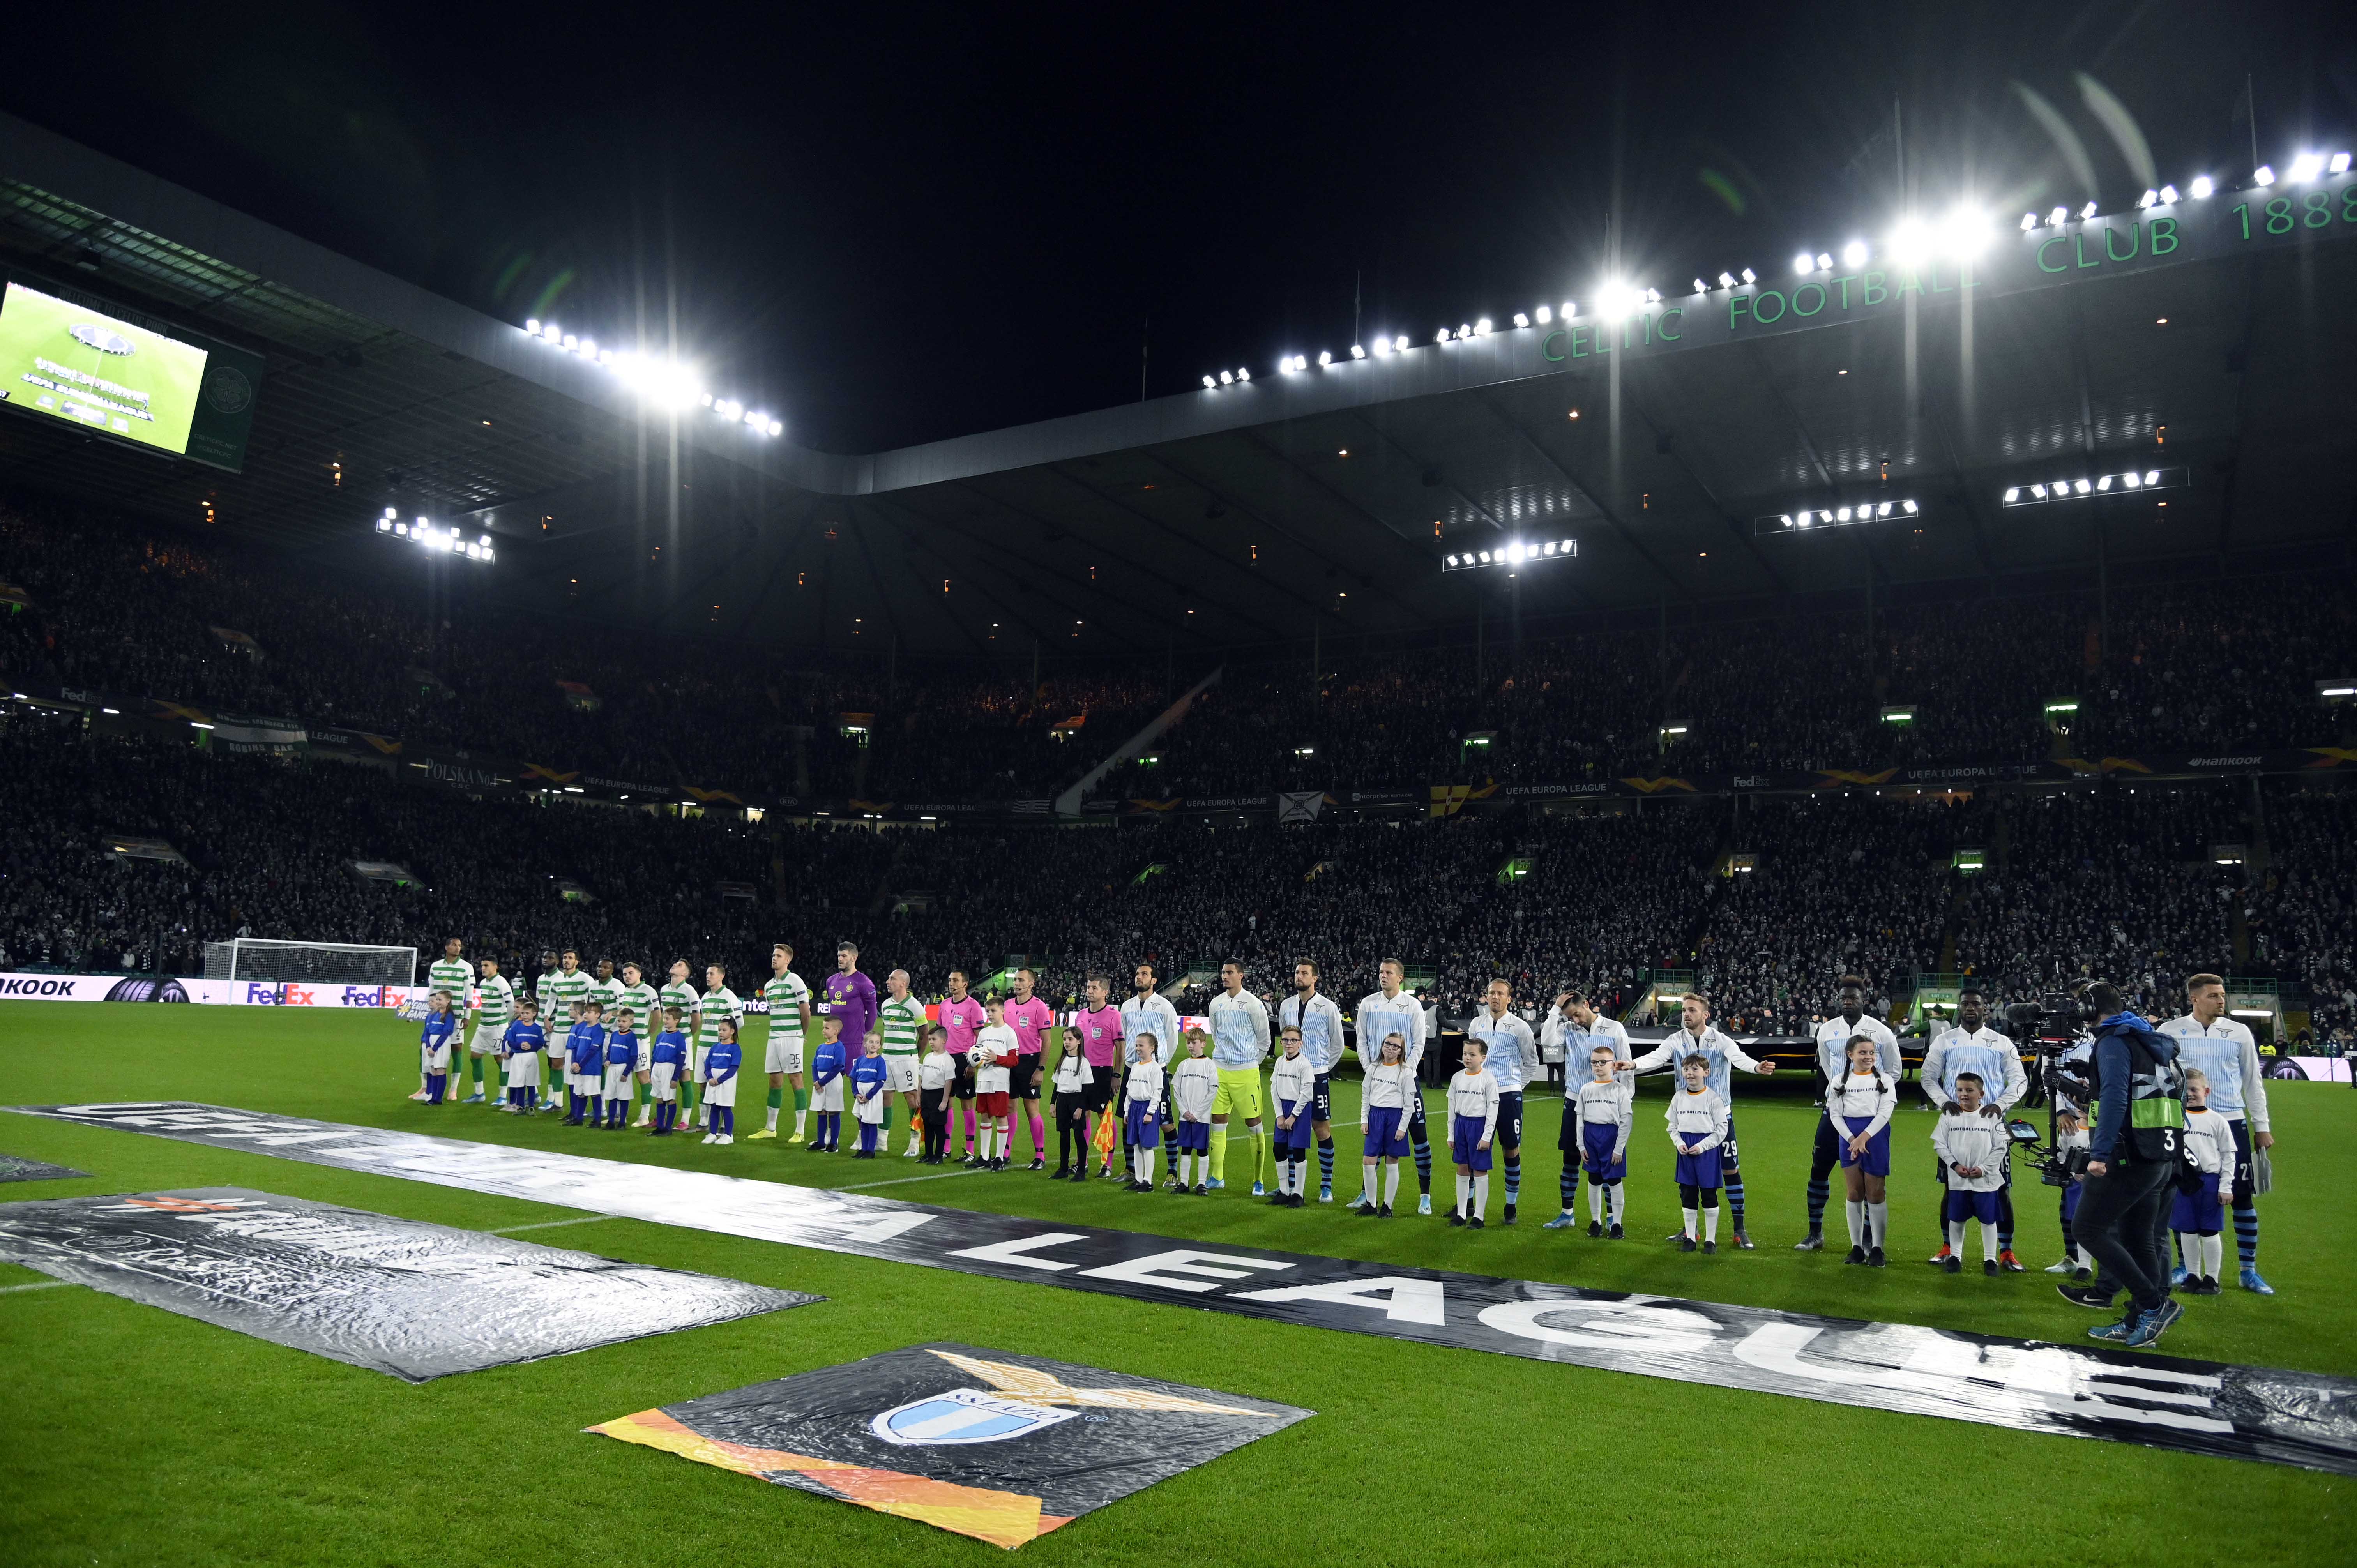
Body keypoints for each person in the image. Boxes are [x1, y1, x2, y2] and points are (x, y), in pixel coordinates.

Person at [2058, 982, 2187, 1350]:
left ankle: (2152, 1306)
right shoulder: (2147, 1037)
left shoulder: (2113, 1041)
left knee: (2088, 1228)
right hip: (2159, 1153)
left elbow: (2115, 1099)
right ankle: (2138, 1317)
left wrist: (2099, 1154)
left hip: (2126, 1155)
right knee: (2137, 1237)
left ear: (2089, 1009)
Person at [1622, 993, 1776, 1247]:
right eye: (1684, 1010)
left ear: (1706, 1015)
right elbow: (1657, 1057)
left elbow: (1739, 1058)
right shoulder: (1676, 1040)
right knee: (1690, 1177)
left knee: (1730, 1171)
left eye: (1692, 1010)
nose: (1686, 1014)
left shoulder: (1721, 1040)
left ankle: (1740, 1230)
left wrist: (1756, 1067)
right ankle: (1690, 1230)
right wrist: (1633, 1065)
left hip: (1720, 1120)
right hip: (1689, 1122)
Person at [2159, 973, 2277, 1294]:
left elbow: (2254, 1081)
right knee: (2182, 1193)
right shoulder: (2169, 1032)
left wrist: (2261, 1126)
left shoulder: (2239, 1033)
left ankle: (2248, 1271)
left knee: (2241, 1196)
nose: (2222, 1000)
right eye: (2214, 995)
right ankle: (2186, 1267)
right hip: (2184, 1124)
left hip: (2231, 1121)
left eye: (2222, 995)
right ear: (2194, 999)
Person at [1918, 986, 2030, 1270]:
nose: (1970, 1008)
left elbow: (2020, 1080)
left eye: (1976, 1004)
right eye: (1965, 1003)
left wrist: (2001, 1105)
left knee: (2001, 1188)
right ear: (1959, 1009)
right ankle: (1948, 1247)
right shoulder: (1944, 1041)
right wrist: (1944, 1102)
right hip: (1955, 1127)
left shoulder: (2001, 1042)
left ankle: (2006, 1252)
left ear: (1985, 1010)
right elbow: (1928, 1078)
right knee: (1951, 1187)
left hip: (1992, 1127)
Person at [1798, 976, 1899, 1251]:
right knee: (1819, 1169)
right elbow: (1829, 1069)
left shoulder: (1881, 1032)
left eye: (1853, 997)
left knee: (1869, 1179)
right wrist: (1843, 1091)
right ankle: (1815, 1233)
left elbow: (1894, 1071)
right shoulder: (1827, 1031)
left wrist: (1868, 1094)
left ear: (1864, 1000)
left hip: (1869, 1117)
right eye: (1843, 997)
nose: (1847, 1002)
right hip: (1836, 1113)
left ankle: (1867, 1240)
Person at [1541, 992, 1633, 1229]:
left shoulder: (1614, 1029)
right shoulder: (1568, 1029)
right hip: (1574, 1100)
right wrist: (1555, 1009)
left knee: (1606, 1162)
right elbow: (1547, 1041)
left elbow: (1625, 1066)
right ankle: (1567, 1214)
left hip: (1607, 1105)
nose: (1576, 1021)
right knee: (1571, 1158)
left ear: (1587, 1005)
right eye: (1570, 1017)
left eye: (1577, 1015)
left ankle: (1613, 1218)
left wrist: (1625, 1103)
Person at [1356, 959, 1436, 1214]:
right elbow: (1361, 1039)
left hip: (1405, 1080)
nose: (1383, 976)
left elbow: (1419, 1044)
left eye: (1389, 973)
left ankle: (1425, 1195)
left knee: (1420, 1138)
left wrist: (1407, 1071)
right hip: (1378, 1079)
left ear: (1400, 978)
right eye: (1381, 972)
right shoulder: (1369, 1003)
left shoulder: (1412, 1005)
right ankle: (1367, 1196)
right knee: (1375, 1137)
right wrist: (1369, 1067)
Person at [1463, 978, 1538, 1224]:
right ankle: (1469, 1204)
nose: (1495, 997)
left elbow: (1531, 1063)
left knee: (1510, 1150)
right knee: (1477, 1148)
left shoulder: (1520, 1027)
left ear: (1509, 999)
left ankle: (1511, 1206)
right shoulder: (1477, 1024)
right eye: (1491, 993)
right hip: (1480, 1096)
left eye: (1500, 994)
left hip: (1508, 1097)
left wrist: (1514, 1087)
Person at [1277, 961, 1348, 1203]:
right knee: (1289, 1128)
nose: (1299, 976)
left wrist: (1321, 1069)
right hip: (1290, 1075)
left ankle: (1326, 1186)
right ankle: (1289, 1188)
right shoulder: (1286, 1005)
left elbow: (1338, 1044)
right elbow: (1285, 1035)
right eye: (1297, 972)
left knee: (1321, 1129)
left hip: (1317, 1076)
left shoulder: (1328, 1007)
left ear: (1315, 978)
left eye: (1305, 973)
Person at [1824, 1034, 1896, 1266]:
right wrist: (1852, 1139)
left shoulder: (1885, 1080)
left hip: (1875, 1135)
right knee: (1854, 1192)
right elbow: (1834, 1114)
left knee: (1876, 1193)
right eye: (1863, 1053)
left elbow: (1885, 1113)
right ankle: (1856, 1248)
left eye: (1872, 1053)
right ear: (1850, 1055)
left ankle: (1877, 1249)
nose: (1868, 1057)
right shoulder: (1838, 1081)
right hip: (1849, 1136)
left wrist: (1864, 1137)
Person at [1551, 1044, 1634, 1237]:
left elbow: (1626, 1121)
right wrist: (1581, 1145)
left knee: (1614, 1181)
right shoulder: (1586, 1090)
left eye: (1603, 1062)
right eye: (1594, 1062)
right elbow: (1580, 1119)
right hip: (1591, 1138)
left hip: (1611, 1139)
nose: (1598, 1066)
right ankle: (1595, 1221)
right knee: (1594, 1180)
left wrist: (1619, 1148)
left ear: (1613, 1065)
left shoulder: (1619, 1090)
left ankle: (1617, 1224)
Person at [1205, 961, 1272, 1195]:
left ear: (1241, 976)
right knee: (1217, 1123)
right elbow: (1216, 1034)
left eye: (1230, 973)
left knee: (1254, 1125)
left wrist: (1251, 1062)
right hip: (1220, 1071)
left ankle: (1258, 1180)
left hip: (1246, 1073)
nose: (1225, 976)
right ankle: (1217, 1176)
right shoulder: (1216, 1004)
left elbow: (1265, 1040)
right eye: (1223, 972)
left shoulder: (1254, 1004)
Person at [2172, 1069, 2237, 1296]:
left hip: (2210, 1182)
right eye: (2186, 1090)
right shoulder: (2175, 1118)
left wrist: (2226, 1186)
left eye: (2194, 1090)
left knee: (2209, 1231)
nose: (2190, 1094)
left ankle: (2212, 1278)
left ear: (2206, 1091)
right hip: (2183, 1183)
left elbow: (2229, 1155)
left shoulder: (2217, 1121)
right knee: (2187, 1231)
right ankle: (2192, 1275)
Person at [1121, 962, 1184, 1180]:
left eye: (1145, 974)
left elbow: (1171, 1040)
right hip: (1132, 1068)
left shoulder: (1165, 1006)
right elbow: (1127, 1035)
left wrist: (1159, 1065)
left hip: (1155, 1071)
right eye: (1138, 973)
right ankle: (1131, 1170)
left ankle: (1172, 1172)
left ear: (1154, 980)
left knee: (1165, 1122)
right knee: (1127, 1118)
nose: (1140, 977)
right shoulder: (1127, 1006)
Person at [1667, 1054, 1730, 1254]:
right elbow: (1672, 1127)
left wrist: (1702, 1146)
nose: (1690, 1073)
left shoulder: (1713, 1098)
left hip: (1707, 1152)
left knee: (1709, 1196)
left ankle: (1710, 1241)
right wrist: (1678, 1143)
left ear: (1706, 1073)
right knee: (1688, 1195)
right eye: (1686, 1069)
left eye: (1695, 1069)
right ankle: (1690, 1239)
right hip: (1685, 1151)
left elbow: (1722, 1129)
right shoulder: (1678, 1097)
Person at [751, 945, 814, 1143]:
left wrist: (800, 1035)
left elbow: (806, 1013)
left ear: (788, 960)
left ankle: (800, 1131)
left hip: (791, 1038)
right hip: (774, 1038)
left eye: (779, 956)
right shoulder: (769, 986)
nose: (774, 958)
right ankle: (771, 1128)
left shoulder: (795, 981)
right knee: (774, 1081)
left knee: (796, 1080)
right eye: (773, 955)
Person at [1069, 974, 1125, 1177]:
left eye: (1094, 988)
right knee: (1082, 1115)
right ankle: (1081, 1161)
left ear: (1105, 992)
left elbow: (1121, 1048)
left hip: (1102, 1072)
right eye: (1088, 987)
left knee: (1105, 1118)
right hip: (1081, 1071)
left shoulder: (1113, 1015)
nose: (1089, 991)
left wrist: (1117, 1074)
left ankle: (1107, 1164)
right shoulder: (1081, 1015)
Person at [1005, 967, 1057, 1170]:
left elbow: (1047, 1041)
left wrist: (1041, 1068)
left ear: (1031, 984)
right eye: (1016, 980)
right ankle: (1006, 1151)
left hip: (1030, 1062)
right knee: (1009, 1107)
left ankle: (1040, 1155)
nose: (1017, 983)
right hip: (1010, 1061)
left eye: (1021, 980)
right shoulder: (1007, 1005)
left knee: (1031, 1108)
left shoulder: (1039, 1007)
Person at [1447, 1038, 1501, 1227]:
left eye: (1472, 1054)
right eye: (1465, 1054)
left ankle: (1479, 1216)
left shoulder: (1488, 1079)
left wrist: (1487, 1136)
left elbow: (1493, 1109)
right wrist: (1451, 1134)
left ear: (1483, 1058)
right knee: (1462, 1167)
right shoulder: (1457, 1078)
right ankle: (1461, 1214)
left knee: (1479, 1170)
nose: (1467, 1058)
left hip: (1479, 1127)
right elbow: (1452, 1108)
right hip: (1461, 1125)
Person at [876, 969, 928, 1158]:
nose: (888, 981)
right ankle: (882, 1141)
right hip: (887, 1058)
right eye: (889, 978)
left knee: (912, 1099)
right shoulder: (885, 1005)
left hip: (907, 1060)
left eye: (893, 979)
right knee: (885, 1098)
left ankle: (915, 1141)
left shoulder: (915, 1006)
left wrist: (916, 1057)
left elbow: (924, 1034)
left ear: (903, 984)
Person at [936, 968, 987, 1160]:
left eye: (956, 980)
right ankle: (946, 1147)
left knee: (966, 1105)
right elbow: (941, 1032)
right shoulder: (944, 1005)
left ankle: (970, 1150)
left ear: (965, 983)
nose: (951, 983)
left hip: (964, 1060)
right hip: (947, 1059)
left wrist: (974, 1064)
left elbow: (980, 1037)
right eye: (950, 980)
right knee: (947, 1103)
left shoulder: (973, 1006)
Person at [2042, 1107, 2096, 1279]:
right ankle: (2079, 1263)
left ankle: (2092, 1265)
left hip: (2099, 1184)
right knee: (2075, 1221)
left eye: (2086, 1105)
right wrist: (2074, 1172)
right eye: (2079, 1104)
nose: (2082, 1108)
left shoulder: (2103, 1129)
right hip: (2076, 1185)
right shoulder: (2068, 1129)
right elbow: (2061, 1155)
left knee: (2095, 1224)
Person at [1268, 1024, 1317, 1208]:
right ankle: (1284, 1191)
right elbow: (1274, 1089)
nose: (1289, 1043)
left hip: (1300, 1110)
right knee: (1279, 1149)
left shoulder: (1304, 1064)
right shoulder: (1280, 1062)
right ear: (1281, 1042)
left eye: (1293, 1040)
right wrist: (1280, 1116)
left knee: (1298, 1151)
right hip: (1283, 1109)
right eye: (1286, 1040)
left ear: (1301, 1044)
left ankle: (1298, 1193)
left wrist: (1294, 1116)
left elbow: (1307, 1093)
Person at [541, 950, 592, 1114]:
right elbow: (551, 1001)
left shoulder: (585, 980)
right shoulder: (556, 981)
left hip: (577, 1031)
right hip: (559, 1029)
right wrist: (547, 1018)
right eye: (565, 958)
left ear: (577, 962)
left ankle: (580, 1107)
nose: (566, 961)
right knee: (556, 1065)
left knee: (578, 1067)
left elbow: (593, 1000)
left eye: (570, 958)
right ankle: (558, 1103)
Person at [422, 938, 473, 1102]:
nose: (457, 948)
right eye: (454, 945)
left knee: (457, 1051)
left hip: (456, 1016)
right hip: (436, 1016)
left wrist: (468, 1016)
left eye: (459, 946)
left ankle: (453, 1089)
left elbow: (470, 994)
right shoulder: (436, 966)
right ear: (446, 947)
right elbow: (431, 990)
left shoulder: (466, 967)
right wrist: (427, 1010)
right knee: (429, 1049)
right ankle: (428, 1089)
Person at [1171, 1028, 1220, 1195]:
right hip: (1186, 1117)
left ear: (1204, 1044)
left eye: (1194, 1043)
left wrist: (1197, 1114)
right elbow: (1176, 1091)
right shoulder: (1183, 1065)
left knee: (1202, 1149)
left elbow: (1212, 1092)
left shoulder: (1210, 1065)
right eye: (1189, 1043)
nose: (1191, 1046)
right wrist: (1184, 1111)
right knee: (1185, 1148)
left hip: (1202, 1117)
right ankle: (1184, 1182)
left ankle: (1201, 1184)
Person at [692, 964, 742, 1127]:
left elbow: (739, 1021)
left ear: (721, 976)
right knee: (703, 1083)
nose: (708, 976)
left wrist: (725, 1042)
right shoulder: (705, 997)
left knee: (721, 1085)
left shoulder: (729, 996)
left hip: (719, 1049)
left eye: (712, 974)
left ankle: (722, 1122)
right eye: (707, 973)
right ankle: (704, 1120)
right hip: (703, 1046)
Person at [972, 996, 1019, 1171]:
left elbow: (1014, 1060)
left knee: (1001, 1116)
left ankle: (1000, 1158)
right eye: (988, 1012)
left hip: (1000, 1081)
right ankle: (984, 1157)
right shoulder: (984, 1033)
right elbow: (977, 1054)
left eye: (993, 1011)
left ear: (1003, 1011)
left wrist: (996, 1059)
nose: (990, 1015)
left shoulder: (1009, 1033)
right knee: (985, 1115)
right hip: (983, 1080)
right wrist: (973, 1061)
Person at [464, 953, 514, 1106]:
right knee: (475, 1056)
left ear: (495, 967)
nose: (483, 968)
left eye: (486, 966)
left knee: (501, 1060)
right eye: (482, 966)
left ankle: (503, 1096)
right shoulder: (484, 982)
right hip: (483, 1026)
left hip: (497, 1028)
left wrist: (508, 1022)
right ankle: (479, 1094)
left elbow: (511, 1004)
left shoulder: (501, 983)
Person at [614, 962, 659, 1126]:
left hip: (640, 1041)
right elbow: (622, 1013)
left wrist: (649, 1033)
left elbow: (657, 1014)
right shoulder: (626, 991)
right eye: (625, 974)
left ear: (639, 974)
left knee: (643, 1077)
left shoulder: (648, 991)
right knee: (621, 1075)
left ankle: (644, 1116)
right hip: (625, 1039)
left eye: (631, 973)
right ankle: (619, 1114)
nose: (627, 976)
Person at [658, 959, 700, 1123]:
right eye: (675, 963)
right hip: (665, 1039)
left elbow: (697, 1018)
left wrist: (687, 1036)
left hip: (682, 1040)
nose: (675, 965)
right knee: (665, 1076)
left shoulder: (689, 991)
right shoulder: (664, 990)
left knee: (684, 1077)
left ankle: (685, 1120)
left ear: (685, 974)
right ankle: (663, 1117)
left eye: (680, 965)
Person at [1122, 1035, 1166, 1191]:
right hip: (1134, 1108)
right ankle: (1139, 1180)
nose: (1138, 1048)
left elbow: (1157, 1092)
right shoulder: (1135, 1066)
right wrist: (1127, 1111)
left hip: (1147, 1108)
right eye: (1137, 1045)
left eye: (1142, 1045)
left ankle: (1148, 1181)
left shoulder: (1155, 1068)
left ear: (1152, 1048)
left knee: (1147, 1146)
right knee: (1136, 1146)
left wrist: (1151, 1112)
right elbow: (1129, 1091)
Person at [1048, 1027, 1092, 1180]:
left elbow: (1086, 1088)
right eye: (1065, 1039)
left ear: (1079, 1041)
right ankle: (1063, 1168)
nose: (1067, 1042)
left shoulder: (1084, 1063)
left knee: (1079, 1136)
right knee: (1064, 1135)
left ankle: (1081, 1171)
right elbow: (1056, 1084)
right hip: (1063, 1100)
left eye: (1070, 1039)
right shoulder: (1062, 1060)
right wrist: (1053, 1103)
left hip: (1077, 1100)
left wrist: (1081, 1107)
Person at [809, 1015, 848, 1153]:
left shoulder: (839, 1047)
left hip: (832, 1081)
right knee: (821, 1111)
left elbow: (838, 1067)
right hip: (819, 1082)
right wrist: (816, 1081)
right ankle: (820, 1142)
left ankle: (833, 1143)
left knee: (833, 1111)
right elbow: (814, 1065)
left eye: (827, 1028)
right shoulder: (821, 1047)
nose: (824, 1031)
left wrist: (821, 1082)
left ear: (836, 1031)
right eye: (823, 1028)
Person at [701, 1019, 743, 1145]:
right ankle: (713, 1134)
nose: (721, 1033)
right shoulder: (715, 1047)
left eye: (724, 1030)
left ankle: (729, 1135)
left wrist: (719, 1080)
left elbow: (734, 1068)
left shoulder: (735, 1049)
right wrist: (709, 1077)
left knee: (726, 1107)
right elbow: (707, 1064)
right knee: (714, 1107)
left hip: (726, 1080)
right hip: (713, 1079)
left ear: (732, 1031)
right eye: (720, 1030)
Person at [917, 1026, 955, 1164]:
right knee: (927, 1126)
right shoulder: (928, 1057)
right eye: (930, 1040)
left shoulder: (948, 1060)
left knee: (939, 1127)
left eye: (934, 1039)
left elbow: (948, 1082)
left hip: (938, 1095)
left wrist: (945, 1101)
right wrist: (918, 1095)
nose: (931, 1042)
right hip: (926, 1095)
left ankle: (939, 1156)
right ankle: (928, 1154)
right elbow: (921, 1078)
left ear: (944, 1040)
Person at [568, 1000, 609, 1127]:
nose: (586, 1014)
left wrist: (580, 1064)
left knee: (594, 1093)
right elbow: (575, 1047)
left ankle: (597, 1120)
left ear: (597, 1015)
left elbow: (593, 1050)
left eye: (589, 1012)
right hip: (579, 1067)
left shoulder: (598, 1031)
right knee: (581, 1093)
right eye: (585, 1011)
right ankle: (579, 1119)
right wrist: (574, 1063)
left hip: (591, 1068)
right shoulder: (582, 1029)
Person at [647, 1006, 687, 1135]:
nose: (665, 1021)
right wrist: (651, 1073)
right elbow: (654, 1054)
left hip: (669, 1069)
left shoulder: (679, 1038)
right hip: (657, 1068)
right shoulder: (660, 1036)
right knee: (659, 1098)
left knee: (669, 1098)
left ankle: (668, 1128)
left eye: (668, 1019)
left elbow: (681, 1058)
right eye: (664, 1018)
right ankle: (660, 1127)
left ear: (677, 1021)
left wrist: (675, 1078)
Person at [501, 998, 545, 1113]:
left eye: (527, 1013)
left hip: (532, 1057)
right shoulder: (516, 1026)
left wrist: (531, 1047)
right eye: (523, 1013)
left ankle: (531, 1106)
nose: (525, 1015)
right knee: (519, 1082)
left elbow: (541, 1043)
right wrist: (520, 1045)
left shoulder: (537, 1029)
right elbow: (510, 1041)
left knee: (531, 1082)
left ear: (534, 1014)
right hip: (518, 1057)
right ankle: (520, 1106)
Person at [602, 1007, 643, 1130]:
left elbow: (634, 1056)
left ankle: (622, 1123)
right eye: (619, 1021)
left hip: (623, 1069)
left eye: (624, 1022)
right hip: (612, 1068)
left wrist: (626, 1072)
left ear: (631, 1022)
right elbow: (610, 1049)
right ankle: (611, 1121)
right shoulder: (614, 1035)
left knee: (623, 1096)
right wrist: (608, 1059)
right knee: (612, 1095)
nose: (620, 1024)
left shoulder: (631, 1037)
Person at [850, 1032, 890, 1157]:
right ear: (865, 1044)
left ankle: (870, 1151)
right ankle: (864, 1148)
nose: (874, 1045)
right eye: (871, 1042)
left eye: (877, 1043)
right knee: (863, 1122)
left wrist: (869, 1096)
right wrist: (856, 1094)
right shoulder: (861, 1060)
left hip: (872, 1095)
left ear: (880, 1046)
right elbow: (854, 1078)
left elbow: (881, 1081)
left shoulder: (880, 1061)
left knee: (871, 1123)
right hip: (861, 1095)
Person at [419, 989, 457, 1105]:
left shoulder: (449, 1015)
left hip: (442, 1044)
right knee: (434, 1070)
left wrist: (435, 1048)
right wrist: (429, 1046)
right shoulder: (433, 1014)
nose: (438, 1002)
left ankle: (438, 1099)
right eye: (437, 1000)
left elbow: (446, 1033)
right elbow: (428, 1031)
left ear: (448, 1001)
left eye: (440, 1000)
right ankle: (433, 1097)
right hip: (431, 1044)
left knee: (440, 1069)